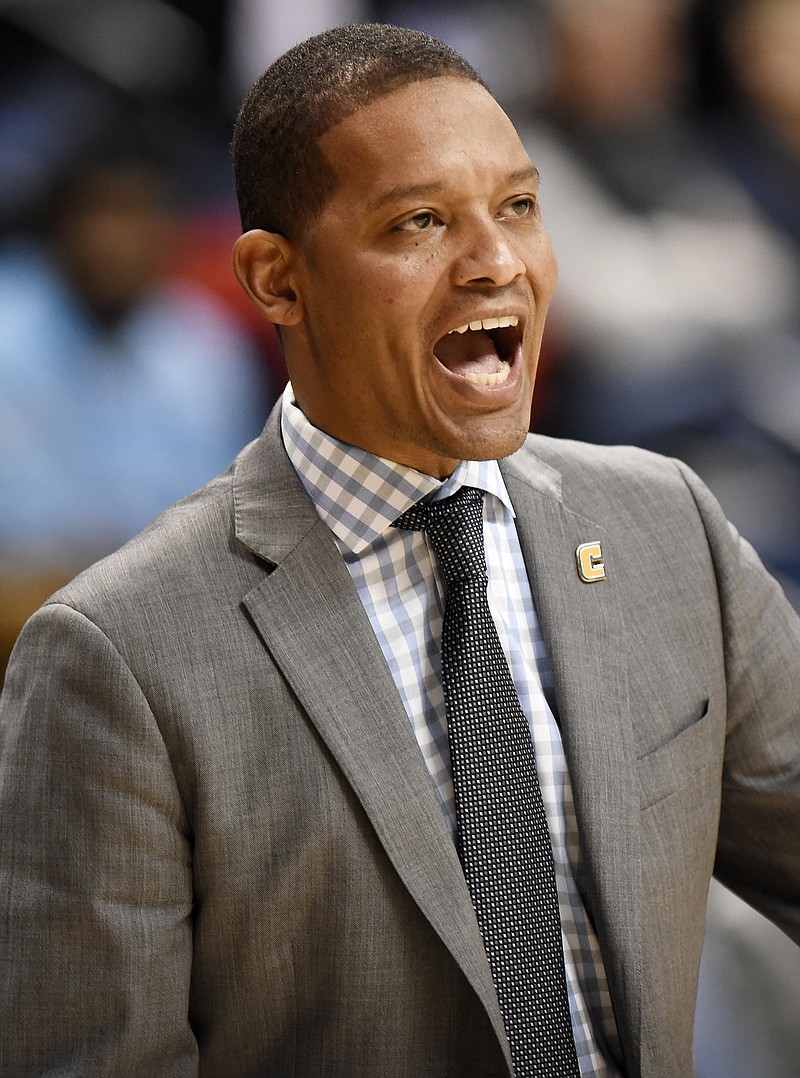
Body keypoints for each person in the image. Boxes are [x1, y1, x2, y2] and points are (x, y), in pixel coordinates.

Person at [0, 23, 798, 1078]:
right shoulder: (115, 655)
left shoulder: (665, 527)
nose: (497, 262)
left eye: (517, 206)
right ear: (276, 278)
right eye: (419, 222)